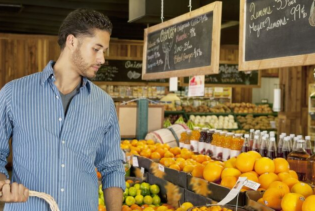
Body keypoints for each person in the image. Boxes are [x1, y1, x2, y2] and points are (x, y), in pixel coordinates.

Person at [0, 8, 125, 211]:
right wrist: (3, 184)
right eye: (96, 49)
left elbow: (112, 167)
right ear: (72, 42)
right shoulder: (14, 93)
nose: (102, 59)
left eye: (104, 51)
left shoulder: (104, 104)